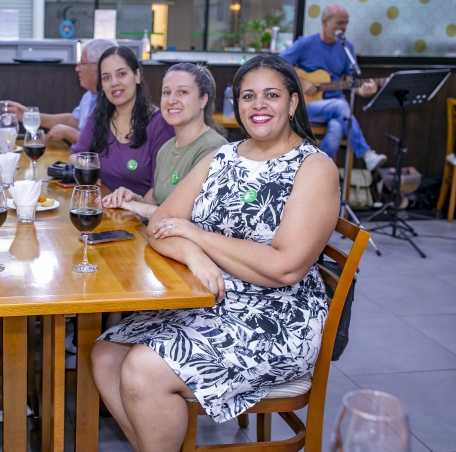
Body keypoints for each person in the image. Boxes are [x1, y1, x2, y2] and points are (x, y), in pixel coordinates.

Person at [90, 55, 339, 452]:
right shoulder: (223, 156)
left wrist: (196, 236)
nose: (258, 105)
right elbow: (160, 225)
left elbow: (285, 267)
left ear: (293, 102)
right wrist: (195, 256)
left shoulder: (313, 167)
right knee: (105, 354)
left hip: (275, 319)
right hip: (211, 297)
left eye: (271, 95)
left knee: (142, 369)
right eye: (248, 96)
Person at [102, 63, 227, 219]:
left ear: (203, 100)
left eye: (182, 92)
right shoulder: (167, 147)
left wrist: (135, 207)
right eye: (166, 92)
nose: (171, 100)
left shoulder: (213, 148)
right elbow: (155, 202)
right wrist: (132, 198)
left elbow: (187, 217)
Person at [281, 4, 386, 171]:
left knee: (337, 128)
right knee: (340, 106)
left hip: (336, 106)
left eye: (346, 23)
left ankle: (315, 170)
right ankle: (366, 155)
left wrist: (365, 91)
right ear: (325, 22)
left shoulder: (347, 48)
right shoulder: (305, 43)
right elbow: (277, 65)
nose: (343, 27)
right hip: (306, 106)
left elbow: (353, 84)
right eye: (339, 23)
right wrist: (303, 81)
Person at [68, 46, 174, 193]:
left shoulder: (160, 124)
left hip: (140, 207)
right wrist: (88, 167)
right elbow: (75, 155)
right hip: (104, 203)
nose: (114, 83)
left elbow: (159, 191)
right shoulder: (100, 115)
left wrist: (131, 202)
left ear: (137, 76)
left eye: (121, 74)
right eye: (106, 77)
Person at [5, 38, 117, 144]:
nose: (77, 69)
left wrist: (68, 133)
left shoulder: (115, 100)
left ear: (100, 66)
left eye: (82, 63)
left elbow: (105, 145)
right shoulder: (89, 95)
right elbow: (74, 121)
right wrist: (29, 116)